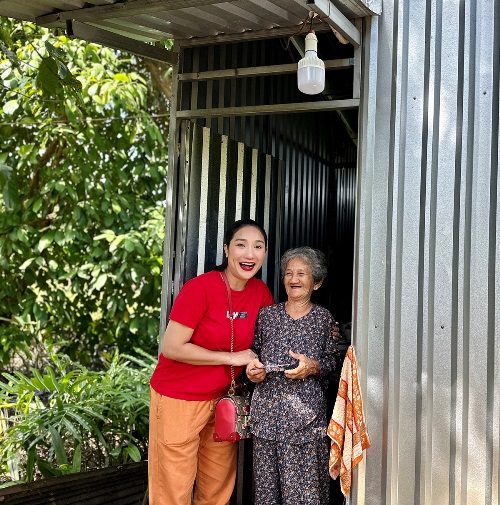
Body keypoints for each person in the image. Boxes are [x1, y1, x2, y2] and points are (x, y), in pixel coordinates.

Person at [148, 219, 274, 505]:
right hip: (179, 398)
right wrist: (232, 357)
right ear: (227, 250)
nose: (249, 254)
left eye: (258, 247)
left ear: (265, 253)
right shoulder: (200, 288)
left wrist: (255, 368)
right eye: (241, 245)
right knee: (172, 489)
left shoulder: (260, 293)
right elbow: (172, 347)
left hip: (224, 403)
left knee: (217, 488)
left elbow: (266, 344)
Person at [246, 246, 339, 505]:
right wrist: (253, 371)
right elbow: (253, 354)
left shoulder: (324, 319)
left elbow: (333, 363)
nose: (293, 279)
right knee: (268, 495)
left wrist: (313, 367)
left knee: (305, 496)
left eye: (301, 274)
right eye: (289, 273)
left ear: (317, 282)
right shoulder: (267, 316)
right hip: (267, 419)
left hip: (306, 421)